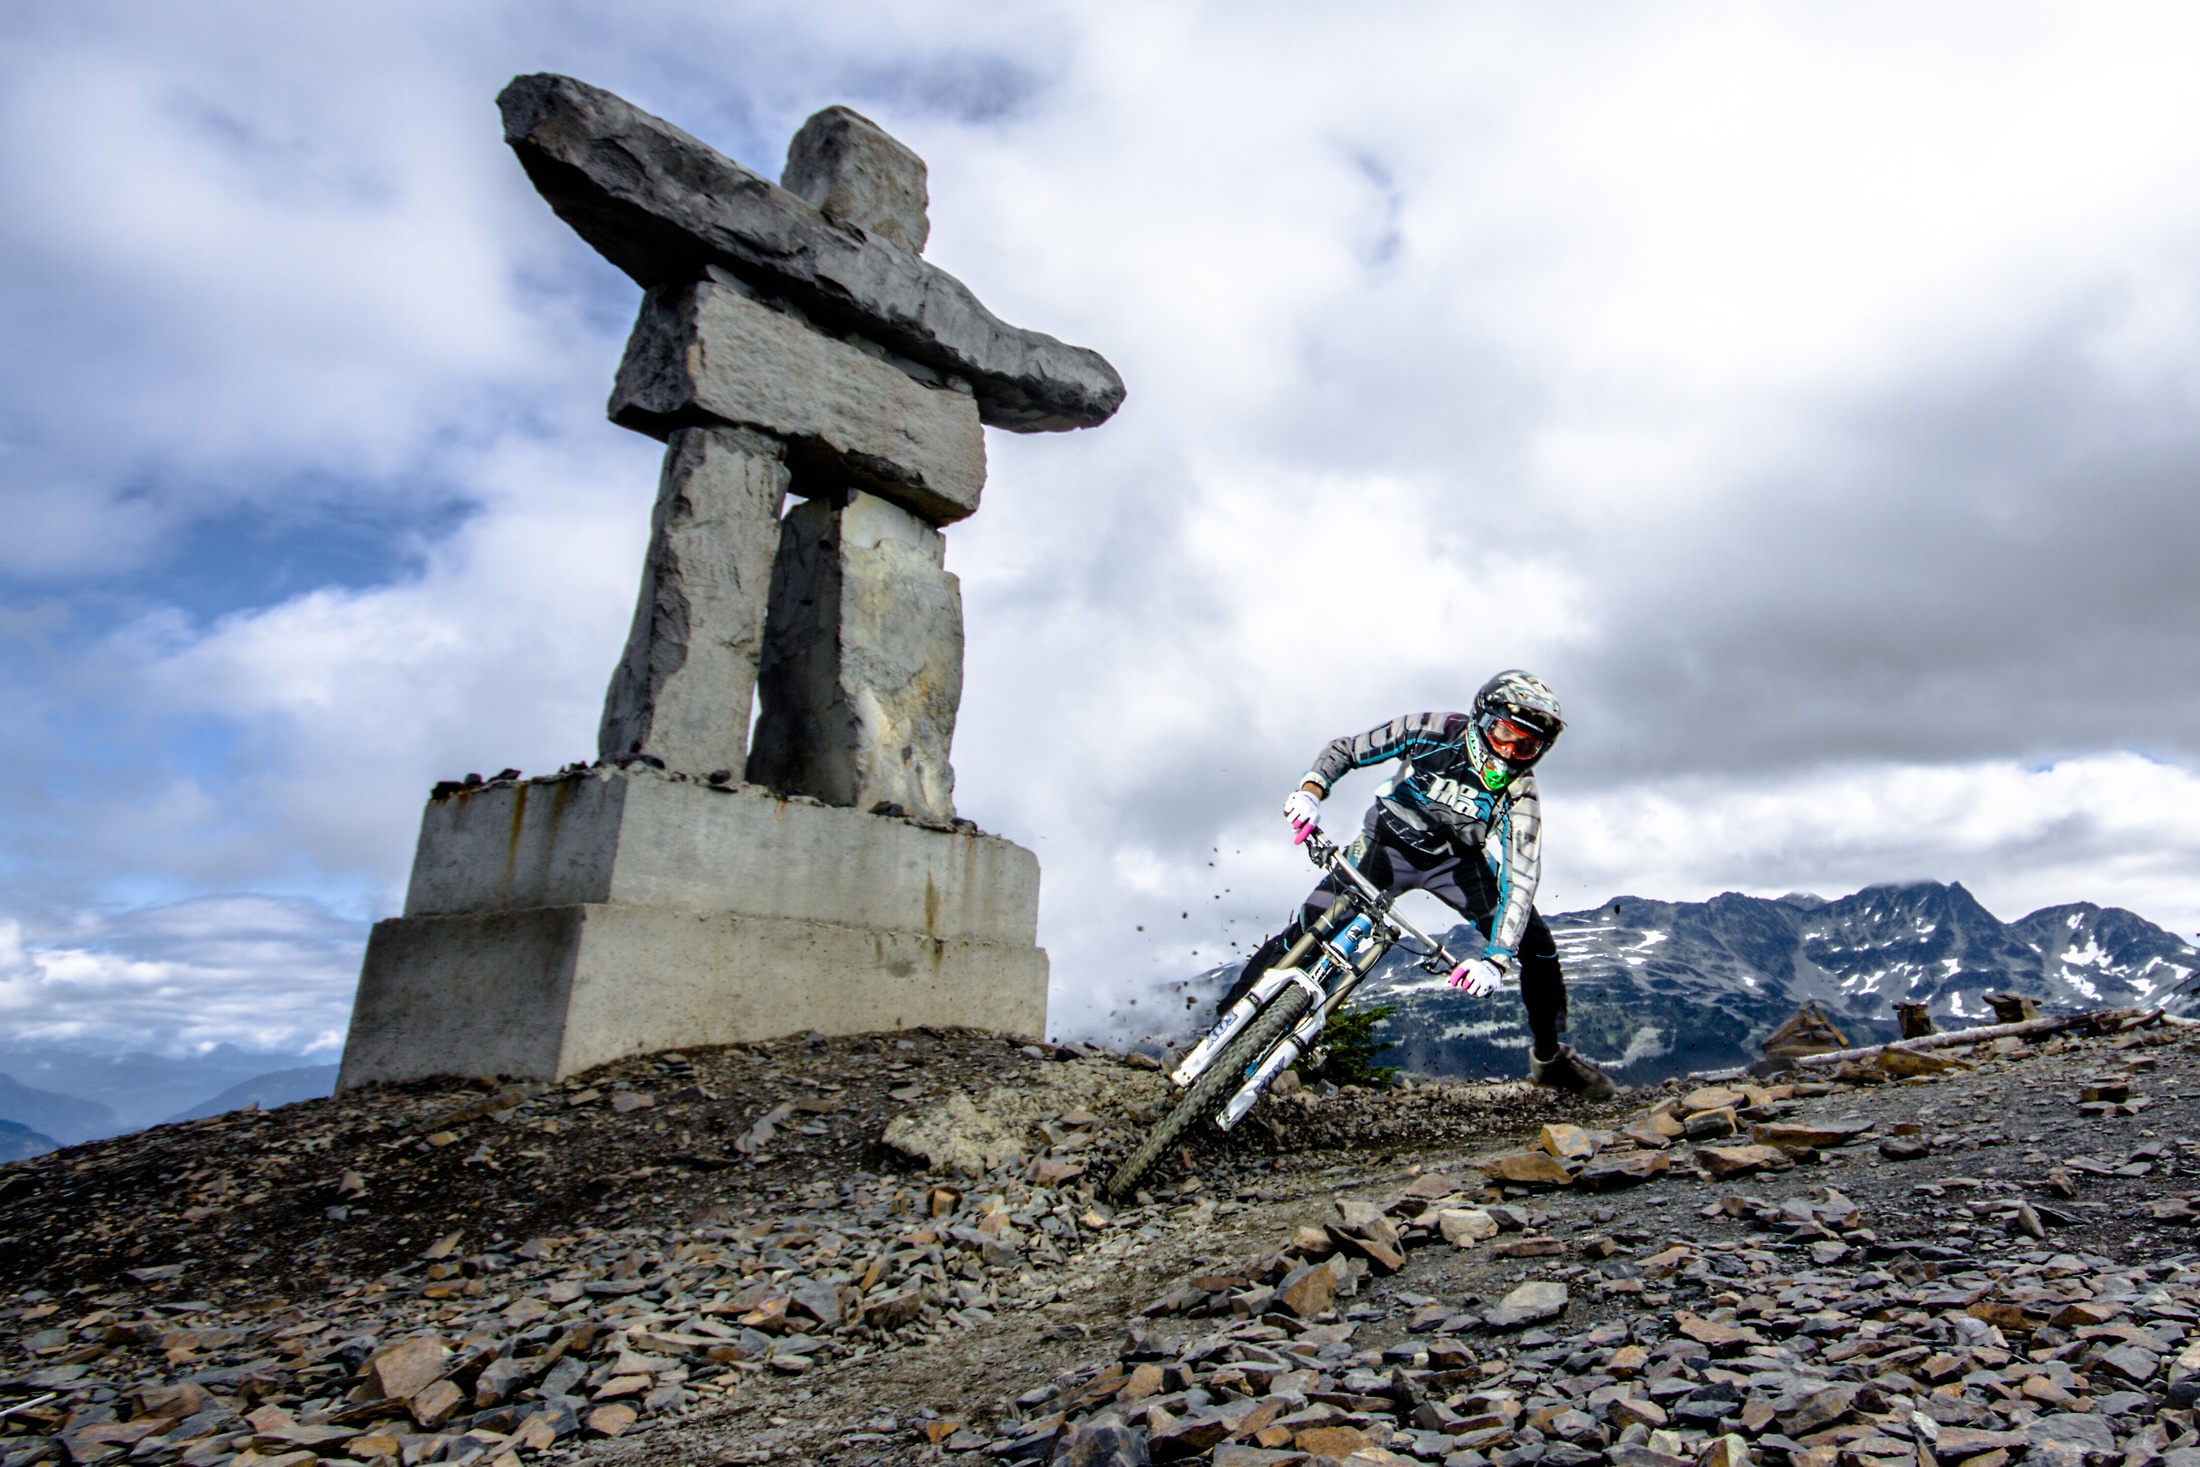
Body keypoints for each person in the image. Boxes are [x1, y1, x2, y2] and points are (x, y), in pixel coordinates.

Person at [1227, 670, 1617, 1099]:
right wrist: (1311, 790)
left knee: (1539, 948)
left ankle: (1550, 1059)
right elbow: (1348, 750)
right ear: (1481, 720)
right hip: (1385, 845)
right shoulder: (1431, 729)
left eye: (1525, 746)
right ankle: (1221, 1032)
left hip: (1459, 864)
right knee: (1305, 931)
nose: (1509, 752)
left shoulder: (1520, 792)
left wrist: (1496, 960)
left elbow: (1521, 879)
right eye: (1504, 734)